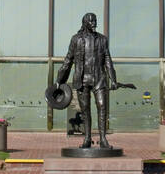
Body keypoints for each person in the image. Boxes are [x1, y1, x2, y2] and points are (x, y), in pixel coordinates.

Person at [55, 12, 131, 149]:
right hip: (82, 80)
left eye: (95, 20)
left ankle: (103, 139)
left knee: (102, 107)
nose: (93, 23)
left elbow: (108, 59)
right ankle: (87, 138)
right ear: (85, 23)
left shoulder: (102, 39)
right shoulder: (75, 39)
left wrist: (113, 79)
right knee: (85, 110)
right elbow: (68, 60)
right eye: (90, 21)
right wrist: (59, 80)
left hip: (99, 79)